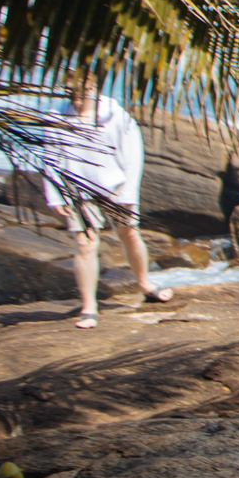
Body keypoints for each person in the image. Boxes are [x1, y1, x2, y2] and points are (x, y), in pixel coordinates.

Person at [38, 77, 171, 329]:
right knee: (85, 243)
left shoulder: (116, 116)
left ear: (94, 87)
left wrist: (128, 192)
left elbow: (133, 158)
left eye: (82, 90)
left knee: (129, 234)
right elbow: (50, 157)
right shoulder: (55, 117)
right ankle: (89, 307)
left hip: (116, 186)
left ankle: (145, 284)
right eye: (71, 90)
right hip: (76, 188)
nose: (76, 96)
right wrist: (54, 195)